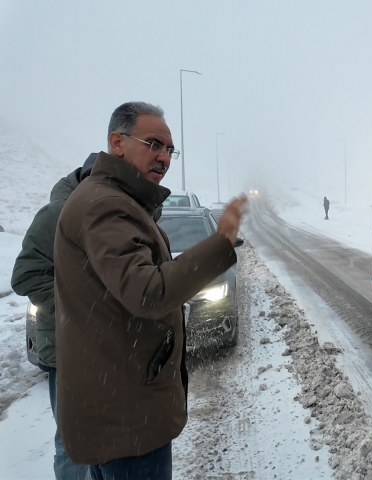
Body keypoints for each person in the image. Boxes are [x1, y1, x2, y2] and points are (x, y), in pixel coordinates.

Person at [54, 101, 247, 479]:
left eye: (170, 149)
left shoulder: (111, 198)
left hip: (115, 408)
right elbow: (149, 292)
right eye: (154, 144)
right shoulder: (105, 206)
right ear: (117, 142)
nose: (164, 157)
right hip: (126, 418)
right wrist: (221, 241)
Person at [11, 153, 97, 480]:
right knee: (74, 441)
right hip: (68, 348)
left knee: (101, 435)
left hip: (100, 345)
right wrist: (78, 307)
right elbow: (26, 276)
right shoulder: (58, 214)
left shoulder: (100, 213)